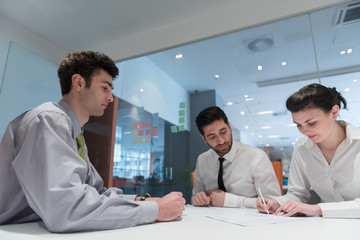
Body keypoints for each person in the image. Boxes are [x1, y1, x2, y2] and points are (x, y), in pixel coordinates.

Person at [0, 50, 185, 232]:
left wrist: (142, 201)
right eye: (105, 88)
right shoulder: (49, 119)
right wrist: (155, 211)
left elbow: (98, 192)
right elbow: (66, 208)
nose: (110, 98)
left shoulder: (75, 135)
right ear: (78, 82)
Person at [256, 83, 360, 218]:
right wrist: (277, 203)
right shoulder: (302, 148)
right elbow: (298, 194)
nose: (304, 131)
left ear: (334, 112)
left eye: (311, 123)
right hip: (328, 227)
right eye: (299, 125)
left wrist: (318, 209)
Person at [192, 106, 281, 208]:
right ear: (204, 138)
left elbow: (273, 203)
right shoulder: (202, 160)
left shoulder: (257, 157)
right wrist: (198, 199)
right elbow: (195, 196)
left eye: (223, 132)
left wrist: (229, 201)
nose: (221, 141)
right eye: (212, 137)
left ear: (229, 126)